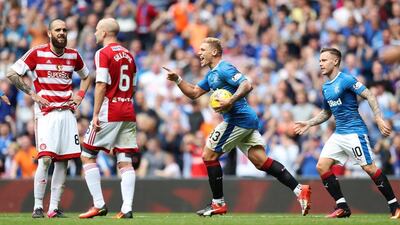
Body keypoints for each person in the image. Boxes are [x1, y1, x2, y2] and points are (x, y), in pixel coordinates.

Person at [163, 37, 311, 217]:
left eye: (203, 50)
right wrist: (178, 79)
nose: (199, 53)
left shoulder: (224, 68)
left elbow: (247, 84)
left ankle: (218, 203)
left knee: (208, 155)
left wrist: (230, 101)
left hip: (238, 119)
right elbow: (194, 93)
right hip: (245, 121)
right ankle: (299, 189)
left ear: (214, 52)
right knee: (261, 161)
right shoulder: (211, 75)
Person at [294, 47, 400, 219]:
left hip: (354, 133)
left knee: (369, 168)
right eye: (319, 60)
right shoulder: (326, 87)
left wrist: (379, 118)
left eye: (324, 60)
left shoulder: (346, 80)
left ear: (335, 61)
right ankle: (342, 207)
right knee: (321, 166)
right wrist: (309, 123)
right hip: (339, 134)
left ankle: (395, 206)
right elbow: (326, 113)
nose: (320, 64)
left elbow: (369, 95)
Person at [6, 19, 91, 218]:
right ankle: (37, 206)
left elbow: (87, 76)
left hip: (67, 114)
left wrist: (79, 97)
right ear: (49, 32)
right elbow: (11, 73)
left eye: (64, 30)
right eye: (58, 30)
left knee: (63, 162)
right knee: (45, 160)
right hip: (46, 114)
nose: (62, 32)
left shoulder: (73, 55)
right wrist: (33, 94)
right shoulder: (37, 52)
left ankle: (53, 208)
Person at [78, 18, 137, 219]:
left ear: (103, 32)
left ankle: (99, 204)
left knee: (87, 154)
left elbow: (101, 84)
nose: (94, 34)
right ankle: (127, 208)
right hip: (128, 109)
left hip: (109, 110)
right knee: (125, 159)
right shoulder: (129, 55)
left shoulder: (102, 53)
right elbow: (134, 86)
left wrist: (95, 114)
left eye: (96, 30)